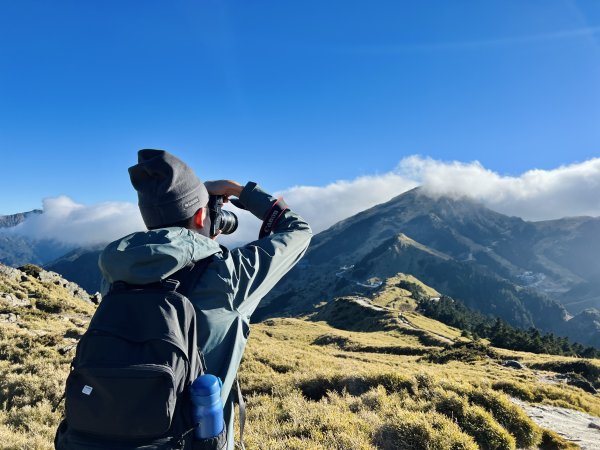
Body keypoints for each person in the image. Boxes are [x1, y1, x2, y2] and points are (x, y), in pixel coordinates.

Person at [98, 149, 312, 449]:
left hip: (107, 433)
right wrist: (242, 192)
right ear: (201, 215)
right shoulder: (228, 275)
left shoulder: (116, 270)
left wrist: (197, 229)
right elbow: (298, 230)